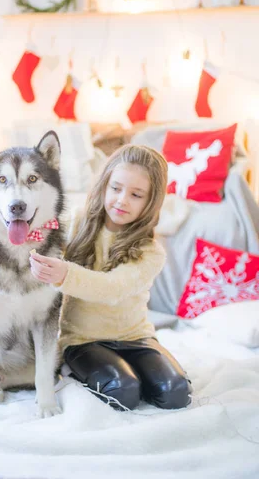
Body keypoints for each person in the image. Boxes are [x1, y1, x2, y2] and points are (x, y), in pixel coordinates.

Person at [29, 144, 192, 411]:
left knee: (175, 393)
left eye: (136, 194)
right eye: (116, 188)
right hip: (84, 340)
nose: (122, 200)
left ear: (151, 202)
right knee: (123, 391)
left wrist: (65, 273)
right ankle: (89, 368)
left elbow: (113, 288)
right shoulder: (76, 222)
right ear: (104, 186)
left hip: (136, 338)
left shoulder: (150, 251)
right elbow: (39, 231)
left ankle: (133, 371)